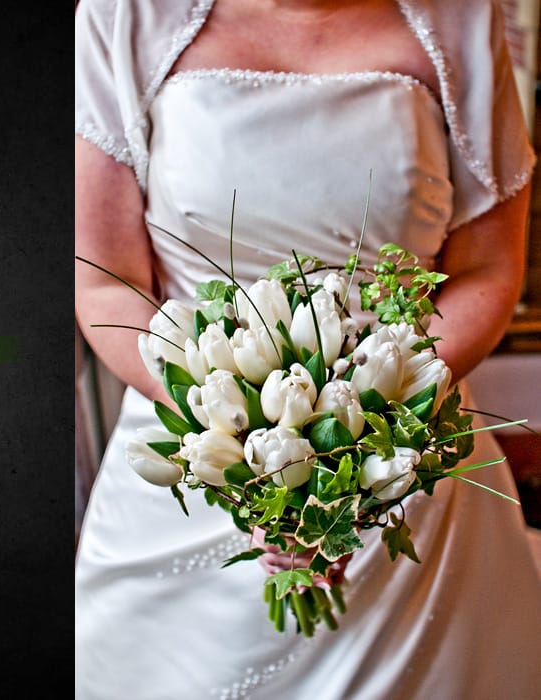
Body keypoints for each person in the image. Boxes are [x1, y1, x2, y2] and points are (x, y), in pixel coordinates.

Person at [73, 1, 541, 698]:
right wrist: (234, 430)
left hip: (405, 464)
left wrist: (368, 419)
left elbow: (487, 269)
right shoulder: (121, 17)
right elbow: (106, 285)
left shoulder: (466, 19)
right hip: (198, 456)